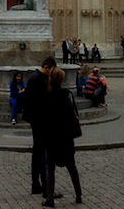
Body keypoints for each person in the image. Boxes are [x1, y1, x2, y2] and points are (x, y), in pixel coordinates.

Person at [41, 66, 82, 207]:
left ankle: (50, 198)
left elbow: (44, 119)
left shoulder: (47, 96)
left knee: (50, 168)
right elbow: (73, 115)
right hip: (66, 137)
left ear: (51, 79)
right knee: (72, 167)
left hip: (52, 137)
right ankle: (78, 195)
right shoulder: (67, 95)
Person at [23, 56, 57, 197]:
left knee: (37, 153)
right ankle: (45, 187)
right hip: (40, 120)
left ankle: (36, 184)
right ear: (47, 67)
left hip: (34, 119)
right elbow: (41, 102)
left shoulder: (33, 78)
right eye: (52, 70)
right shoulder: (39, 80)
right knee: (43, 154)